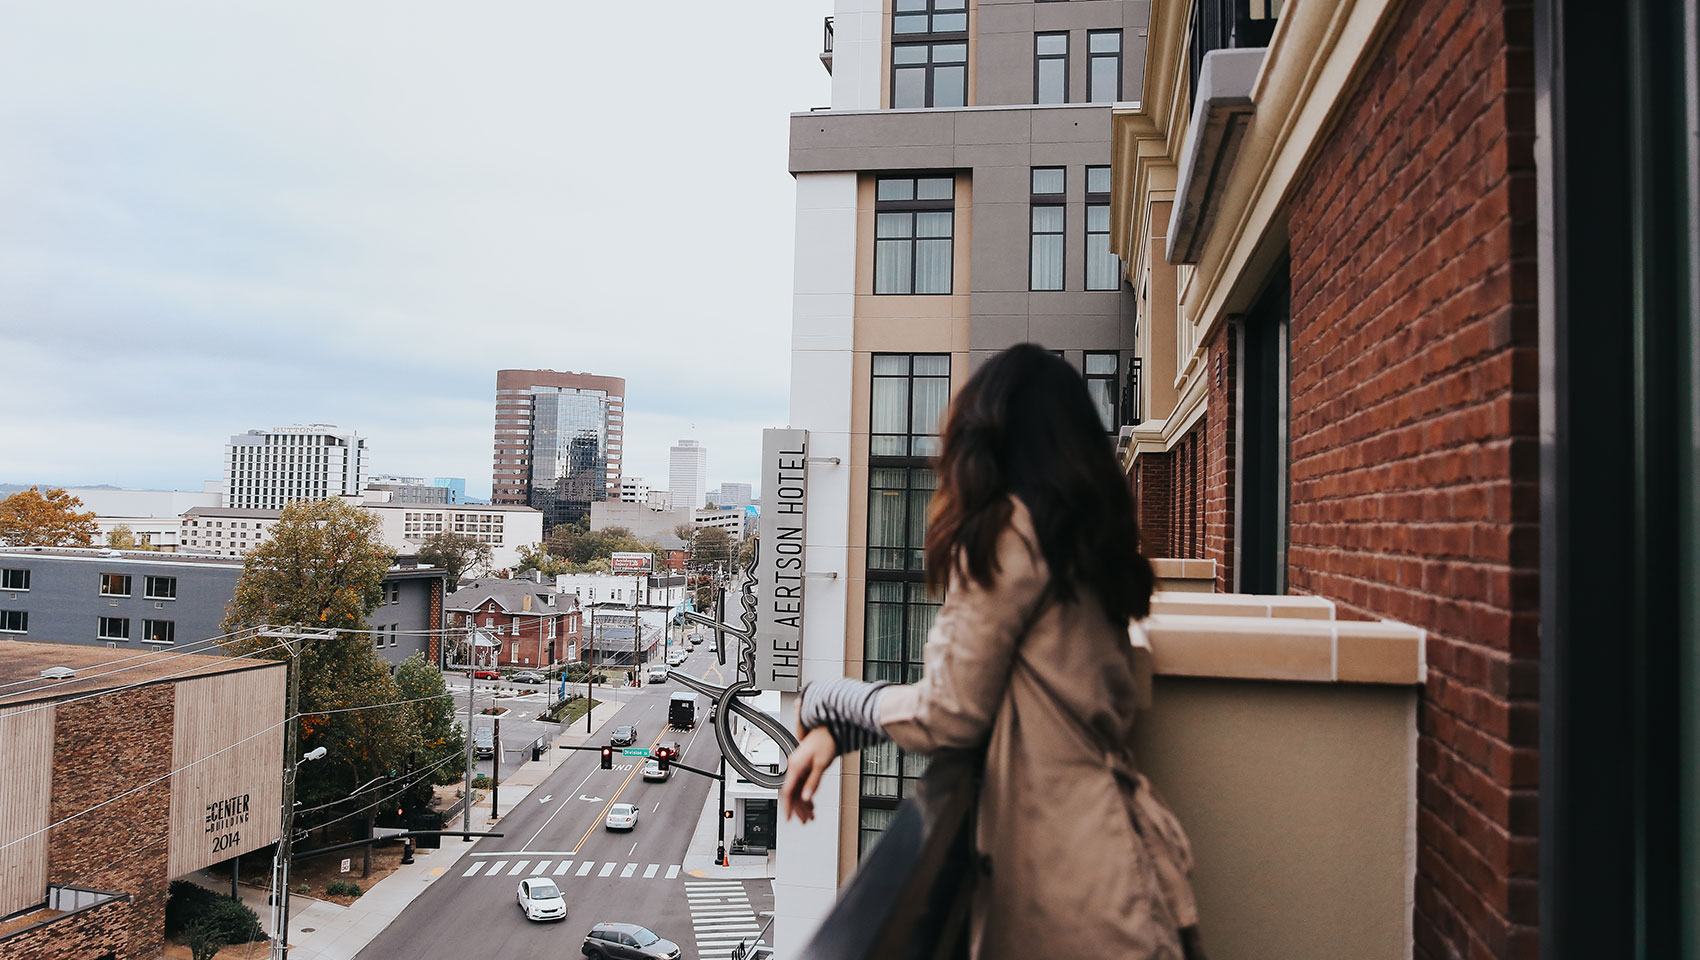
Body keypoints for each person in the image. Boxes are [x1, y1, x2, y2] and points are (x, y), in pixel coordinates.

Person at [781, 343, 1204, 960]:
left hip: (1072, 893)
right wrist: (841, 731)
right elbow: (992, 697)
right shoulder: (1079, 547)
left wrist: (829, 700)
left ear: (983, 439)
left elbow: (949, 711)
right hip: (1116, 865)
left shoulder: (1010, 531)